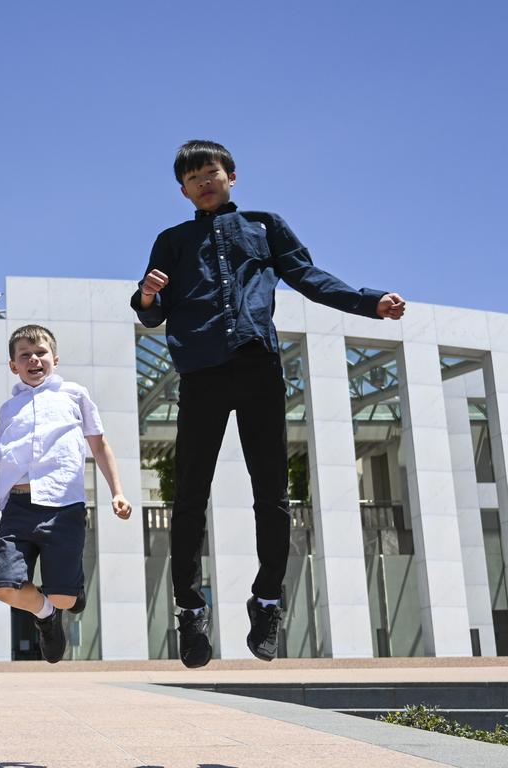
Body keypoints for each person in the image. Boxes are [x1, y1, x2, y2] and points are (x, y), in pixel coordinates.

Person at [131, 139, 406, 668]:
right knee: (189, 497)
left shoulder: (264, 226)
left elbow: (309, 276)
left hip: (258, 368)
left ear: (230, 175)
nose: (203, 182)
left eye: (211, 172)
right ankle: (190, 610)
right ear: (182, 190)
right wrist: (146, 294)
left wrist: (369, 302)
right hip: (202, 374)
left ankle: (268, 601)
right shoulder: (171, 240)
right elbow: (151, 313)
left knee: (271, 495)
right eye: (192, 178)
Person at [0, 325, 133, 663]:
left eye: (40, 353)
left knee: (65, 597)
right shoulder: (9, 408)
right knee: (3, 585)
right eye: (25, 355)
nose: (34, 360)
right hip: (19, 506)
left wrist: (117, 491)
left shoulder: (74, 394)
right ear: (13, 365)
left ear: (55, 358)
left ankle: (63, 600)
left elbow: (98, 444)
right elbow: (2, 456)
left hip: (63, 506)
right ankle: (46, 616)